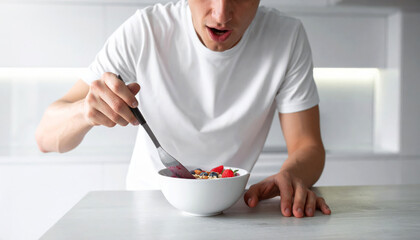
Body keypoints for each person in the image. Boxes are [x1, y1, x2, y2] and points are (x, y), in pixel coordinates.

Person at [36, 0, 331, 218]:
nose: (221, 14)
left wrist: (293, 174)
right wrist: (84, 112)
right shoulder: (145, 30)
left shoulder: (287, 37)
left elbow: (308, 146)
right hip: (146, 212)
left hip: (233, 213)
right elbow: (46, 137)